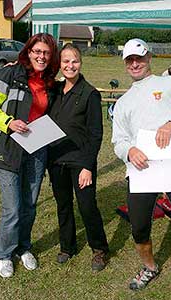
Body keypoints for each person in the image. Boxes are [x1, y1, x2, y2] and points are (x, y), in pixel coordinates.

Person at [0, 33, 59, 278]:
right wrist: (8, 122)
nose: (41, 56)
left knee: (30, 205)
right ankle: (5, 254)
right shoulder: (9, 73)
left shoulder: (50, 82)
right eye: (37, 51)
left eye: (46, 52)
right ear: (28, 52)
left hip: (36, 149)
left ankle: (24, 247)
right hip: (8, 148)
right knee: (13, 208)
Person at [112, 38, 171, 290]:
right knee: (139, 226)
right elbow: (118, 141)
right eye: (130, 59)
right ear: (125, 63)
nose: (135, 63)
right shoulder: (122, 103)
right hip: (142, 169)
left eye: (139, 57)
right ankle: (149, 267)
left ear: (149, 57)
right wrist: (130, 150)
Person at [48, 43, 109, 272]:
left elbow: (96, 134)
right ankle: (67, 246)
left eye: (74, 61)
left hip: (81, 161)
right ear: (60, 65)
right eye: (65, 61)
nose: (70, 65)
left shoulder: (89, 93)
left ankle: (99, 248)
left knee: (86, 206)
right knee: (63, 205)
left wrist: (87, 166)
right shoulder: (54, 90)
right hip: (56, 160)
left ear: (80, 63)